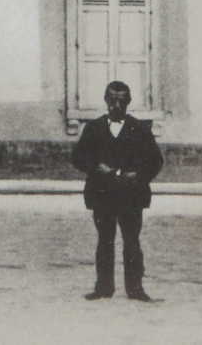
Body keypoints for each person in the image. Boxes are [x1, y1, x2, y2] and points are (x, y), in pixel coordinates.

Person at [70, 80, 163, 301]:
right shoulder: (93, 128)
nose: (117, 105)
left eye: (122, 101)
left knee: (132, 241)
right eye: (112, 100)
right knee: (105, 240)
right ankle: (103, 288)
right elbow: (78, 157)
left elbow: (156, 161)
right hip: (102, 194)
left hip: (132, 195)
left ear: (129, 102)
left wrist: (139, 174)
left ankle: (135, 289)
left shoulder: (140, 129)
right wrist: (96, 167)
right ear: (106, 100)